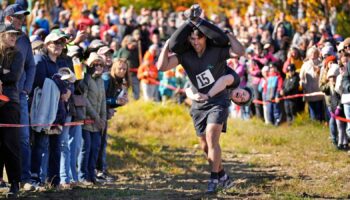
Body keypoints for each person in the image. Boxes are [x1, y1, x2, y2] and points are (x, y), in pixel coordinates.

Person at [157, 4, 244, 194]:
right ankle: (222, 175)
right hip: (198, 104)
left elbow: (239, 52)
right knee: (205, 146)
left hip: (218, 101)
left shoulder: (217, 51)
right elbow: (161, 66)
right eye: (192, 38)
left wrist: (229, 35)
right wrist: (166, 46)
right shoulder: (185, 55)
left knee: (213, 138)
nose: (196, 41)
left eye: (199, 37)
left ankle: (213, 180)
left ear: (205, 37)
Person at [3, 3, 36, 191]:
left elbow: (31, 66)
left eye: (24, 17)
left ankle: (25, 179)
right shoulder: (1, 37)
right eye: (19, 17)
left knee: (22, 138)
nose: (23, 20)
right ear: (9, 18)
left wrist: (26, 88)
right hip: (2, 95)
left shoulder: (24, 40)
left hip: (19, 97)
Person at [0, 24, 24, 198]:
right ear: (2, 35)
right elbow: (5, 75)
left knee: (10, 144)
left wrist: (2, 74)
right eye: (10, 34)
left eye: (16, 35)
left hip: (10, 103)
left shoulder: (18, 54)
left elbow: (13, 77)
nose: (14, 37)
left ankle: (15, 183)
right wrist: (3, 72)